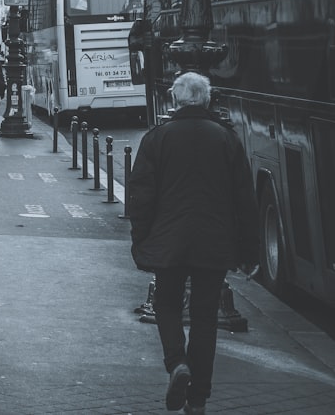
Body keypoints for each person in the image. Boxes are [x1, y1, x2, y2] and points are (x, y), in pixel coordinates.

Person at [128, 72, 259, 414]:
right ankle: (197, 399)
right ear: (206, 99)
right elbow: (244, 199)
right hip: (214, 243)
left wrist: (141, 240)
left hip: (169, 241)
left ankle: (177, 364)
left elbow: (140, 196)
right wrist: (249, 250)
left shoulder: (157, 139)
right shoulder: (226, 139)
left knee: (167, 305)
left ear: (175, 99)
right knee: (204, 319)